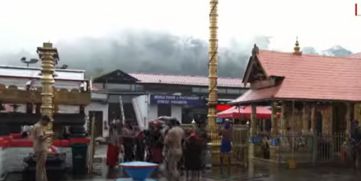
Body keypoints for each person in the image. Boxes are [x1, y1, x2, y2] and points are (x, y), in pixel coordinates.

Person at [31, 115, 51, 181]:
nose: (47, 124)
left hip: (37, 147)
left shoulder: (35, 125)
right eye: (47, 122)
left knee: (41, 166)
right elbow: (41, 138)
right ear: (44, 120)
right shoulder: (39, 127)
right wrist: (48, 135)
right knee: (40, 167)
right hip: (41, 148)